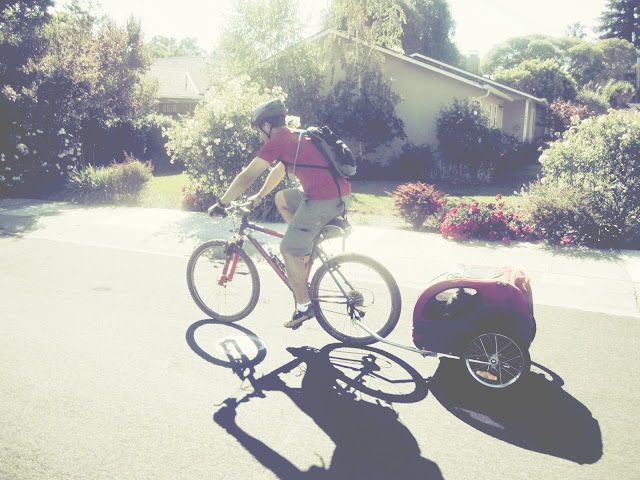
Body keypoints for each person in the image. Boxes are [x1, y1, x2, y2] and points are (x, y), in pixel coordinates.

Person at [208, 98, 351, 328]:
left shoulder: (278, 141)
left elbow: (247, 176)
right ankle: (303, 248)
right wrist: (259, 197)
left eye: (258, 130)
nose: (259, 135)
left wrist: (222, 203)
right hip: (337, 194)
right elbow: (278, 171)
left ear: (266, 126)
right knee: (281, 199)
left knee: (287, 249)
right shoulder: (296, 136)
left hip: (323, 200)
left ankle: (304, 307)